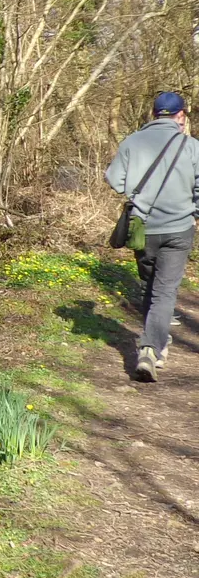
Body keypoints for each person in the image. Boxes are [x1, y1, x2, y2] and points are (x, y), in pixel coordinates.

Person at [105, 91, 199, 381]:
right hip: (179, 228)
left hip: (142, 229)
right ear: (180, 116)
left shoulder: (132, 142)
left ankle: (154, 343)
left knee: (150, 285)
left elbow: (114, 180)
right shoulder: (192, 146)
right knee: (165, 291)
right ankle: (151, 348)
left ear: (154, 114)